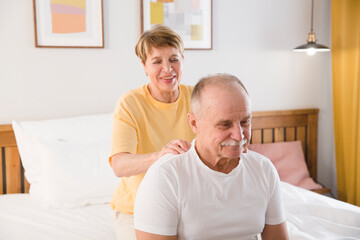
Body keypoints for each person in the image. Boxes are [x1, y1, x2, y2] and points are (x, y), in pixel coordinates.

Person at [134, 73, 289, 240]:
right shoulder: (164, 177)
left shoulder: (263, 169)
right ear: (194, 123)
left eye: (245, 122)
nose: (239, 135)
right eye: (224, 125)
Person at [109, 25, 196, 240]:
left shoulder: (197, 97)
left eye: (174, 59)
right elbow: (119, 166)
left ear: (182, 61)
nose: (168, 69)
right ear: (144, 66)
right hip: (137, 210)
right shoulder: (130, 103)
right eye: (157, 61)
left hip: (189, 205)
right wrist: (160, 156)